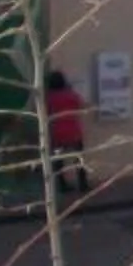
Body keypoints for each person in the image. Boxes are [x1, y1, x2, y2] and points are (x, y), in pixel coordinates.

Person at [44, 70, 89, 198]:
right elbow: (81, 105)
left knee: (58, 161)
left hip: (57, 133)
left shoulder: (50, 97)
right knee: (79, 158)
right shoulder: (71, 95)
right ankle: (83, 184)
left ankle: (62, 185)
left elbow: (46, 111)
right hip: (73, 132)